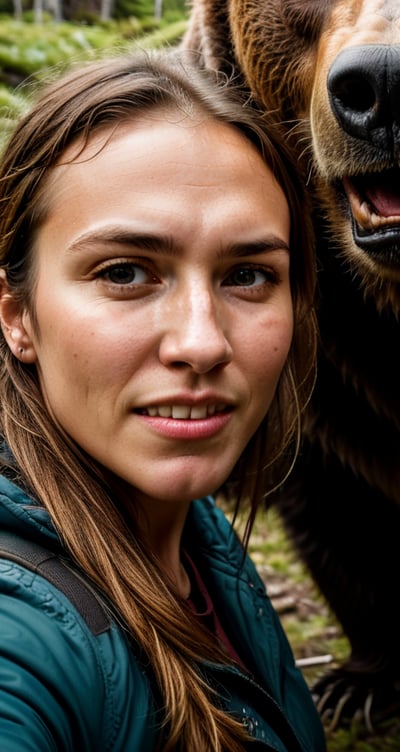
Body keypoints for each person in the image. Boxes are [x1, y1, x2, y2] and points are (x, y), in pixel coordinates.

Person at [0, 50, 325, 751]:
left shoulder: (195, 540)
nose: (202, 343)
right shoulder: (18, 638)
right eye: (125, 273)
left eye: (247, 274)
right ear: (16, 315)